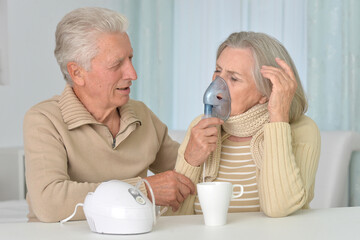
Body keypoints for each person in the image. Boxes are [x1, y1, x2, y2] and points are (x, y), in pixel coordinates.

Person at [23, 7, 195, 222]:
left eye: (130, 58)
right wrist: (142, 190)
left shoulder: (141, 114)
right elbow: (49, 203)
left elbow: (186, 174)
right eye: (117, 64)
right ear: (77, 72)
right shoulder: (44, 120)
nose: (133, 74)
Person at [166, 31, 320, 217]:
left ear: (266, 92)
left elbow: (280, 209)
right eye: (217, 71)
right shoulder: (201, 127)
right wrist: (191, 161)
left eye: (234, 78)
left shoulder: (302, 130)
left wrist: (278, 118)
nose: (217, 85)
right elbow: (174, 219)